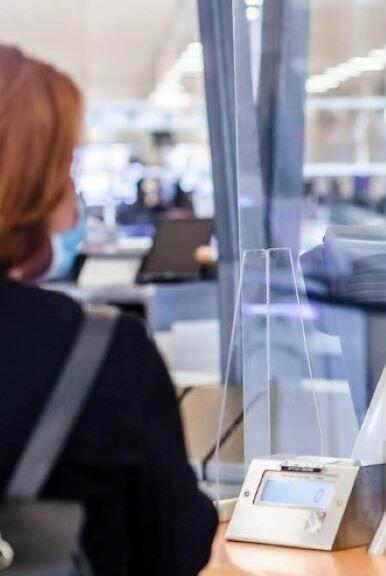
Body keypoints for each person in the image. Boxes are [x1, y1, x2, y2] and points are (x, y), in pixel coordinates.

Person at [0, 46, 217, 575]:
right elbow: (175, 549)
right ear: (32, 183)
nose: (72, 199)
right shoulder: (102, 353)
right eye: (65, 169)